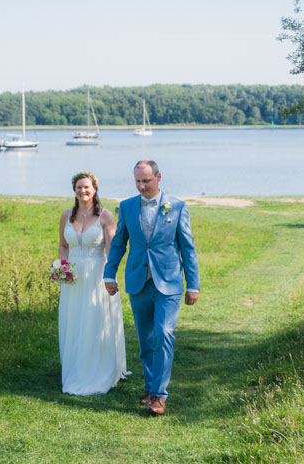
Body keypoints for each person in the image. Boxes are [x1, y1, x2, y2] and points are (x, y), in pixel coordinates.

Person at [103, 160, 200, 416]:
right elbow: (118, 244)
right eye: (137, 181)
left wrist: (194, 285)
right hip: (138, 281)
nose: (141, 186)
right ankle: (149, 386)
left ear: (158, 177)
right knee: (146, 339)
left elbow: (187, 248)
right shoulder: (127, 206)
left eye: (146, 181)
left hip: (168, 282)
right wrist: (109, 273)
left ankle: (159, 395)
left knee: (164, 334)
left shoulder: (177, 206)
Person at [57, 170, 129, 395]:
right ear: (74, 190)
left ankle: (99, 370)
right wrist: (61, 266)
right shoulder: (66, 215)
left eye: (86, 187)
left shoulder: (106, 216)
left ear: (95, 189)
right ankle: (76, 367)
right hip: (73, 278)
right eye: (79, 187)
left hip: (97, 273)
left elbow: (112, 249)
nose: (83, 190)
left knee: (94, 320)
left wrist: (110, 276)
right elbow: (63, 245)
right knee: (74, 322)